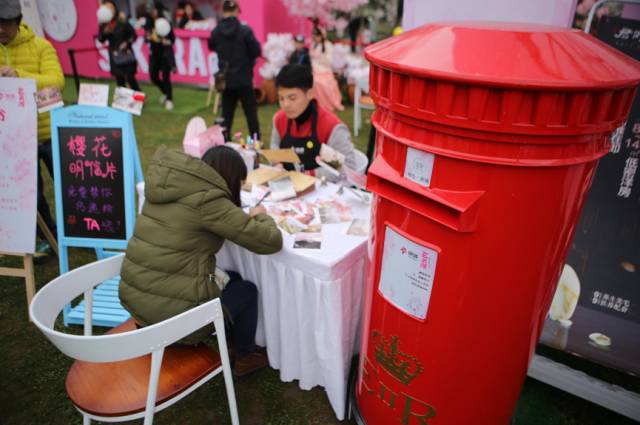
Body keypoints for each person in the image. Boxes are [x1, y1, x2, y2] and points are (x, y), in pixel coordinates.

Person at [119, 145, 283, 377]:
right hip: (169, 323)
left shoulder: (166, 186)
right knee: (246, 291)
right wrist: (261, 215)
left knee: (232, 279)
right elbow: (270, 242)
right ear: (231, 178)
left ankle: (234, 347)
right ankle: (245, 356)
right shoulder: (210, 201)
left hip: (137, 305)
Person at [0, 0, 64, 256]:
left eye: (7, 24)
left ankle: (79, 229)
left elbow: (56, 81)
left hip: (47, 131)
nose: (2, 29)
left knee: (67, 185)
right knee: (31, 193)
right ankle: (44, 235)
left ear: (18, 22)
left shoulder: (41, 46)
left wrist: (20, 75)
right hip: (13, 137)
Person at [270, 64, 356, 173]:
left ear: (310, 94)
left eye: (292, 98)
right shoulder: (279, 119)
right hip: (287, 186)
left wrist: (309, 176)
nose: (286, 105)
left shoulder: (330, 126)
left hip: (324, 187)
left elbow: (348, 168)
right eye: (281, 98)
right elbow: (275, 147)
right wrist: (277, 164)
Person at [208, 0, 261, 140]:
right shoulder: (245, 31)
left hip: (226, 80)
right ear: (237, 10)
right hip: (244, 79)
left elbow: (211, 46)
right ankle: (257, 143)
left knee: (226, 116)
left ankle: (225, 145)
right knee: (251, 115)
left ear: (223, 11)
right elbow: (256, 50)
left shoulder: (216, 32)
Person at [98, 0, 141, 91]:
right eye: (107, 8)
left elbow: (134, 36)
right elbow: (101, 39)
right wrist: (105, 33)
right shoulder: (104, 24)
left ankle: (139, 97)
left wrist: (127, 42)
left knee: (130, 78)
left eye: (111, 8)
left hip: (126, 54)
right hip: (115, 55)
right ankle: (123, 102)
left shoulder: (122, 21)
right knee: (119, 80)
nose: (109, 10)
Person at [145, 1, 176, 110]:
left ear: (157, 9)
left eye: (153, 11)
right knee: (153, 76)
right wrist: (148, 37)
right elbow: (146, 36)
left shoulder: (165, 20)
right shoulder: (148, 21)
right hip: (154, 53)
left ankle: (169, 99)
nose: (152, 13)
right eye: (150, 12)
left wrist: (168, 42)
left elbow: (172, 39)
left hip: (165, 54)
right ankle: (165, 92)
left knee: (166, 77)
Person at [309, 26, 344, 112]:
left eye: (317, 36)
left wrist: (319, 58)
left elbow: (329, 60)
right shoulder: (313, 45)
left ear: (322, 36)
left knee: (322, 83)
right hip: (314, 69)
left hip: (325, 70)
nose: (315, 38)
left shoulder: (328, 45)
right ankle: (315, 103)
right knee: (313, 81)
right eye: (314, 36)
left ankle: (326, 104)